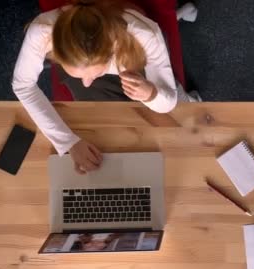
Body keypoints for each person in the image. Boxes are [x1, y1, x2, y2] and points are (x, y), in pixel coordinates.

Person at [12, 0, 199, 175]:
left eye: (94, 74)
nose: (86, 83)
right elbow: (23, 86)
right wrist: (67, 142)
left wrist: (151, 93)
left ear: (112, 50)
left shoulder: (144, 35)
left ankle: (190, 98)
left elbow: (167, 103)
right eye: (79, 75)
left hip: (133, 53)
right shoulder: (42, 31)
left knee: (177, 110)